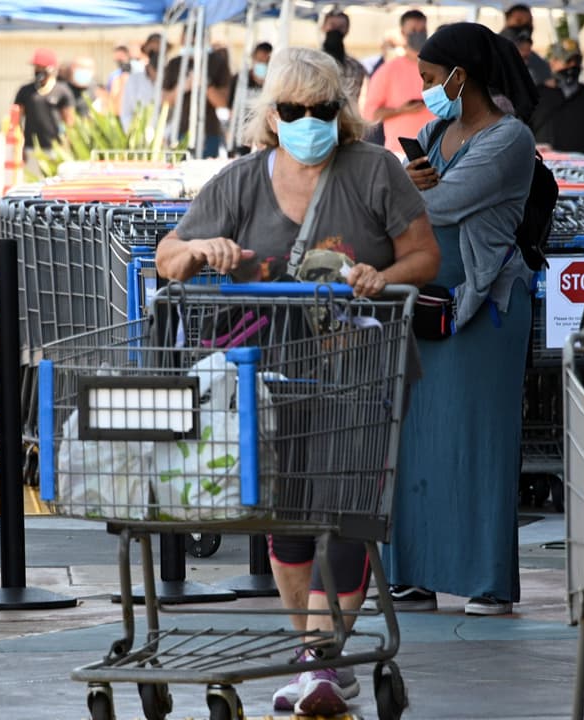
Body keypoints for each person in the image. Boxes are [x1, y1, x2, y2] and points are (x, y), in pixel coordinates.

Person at [155, 48, 440, 716]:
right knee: (283, 517)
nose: (308, 121)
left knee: (345, 510)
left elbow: (424, 255)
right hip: (269, 373)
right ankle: (318, 656)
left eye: (321, 109)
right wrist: (200, 251)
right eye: (293, 109)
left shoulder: (373, 172)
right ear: (272, 116)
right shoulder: (240, 181)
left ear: (340, 113)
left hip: (359, 372)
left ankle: (321, 659)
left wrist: (381, 277)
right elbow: (170, 257)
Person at [368, 22, 537, 618]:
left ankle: (487, 580)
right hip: (423, 304)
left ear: (462, 77)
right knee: (414, 442)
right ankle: (414, 573)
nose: (424, 89)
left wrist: (397, 189)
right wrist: (402, 182)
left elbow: (443, 203)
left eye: (432, 78)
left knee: (478, 444)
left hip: (483, 308)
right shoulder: (436, 130)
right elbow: (411, 195)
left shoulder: (509, 138)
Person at [363, 9, 435, 154]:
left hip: (437, 150)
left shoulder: (439, 67)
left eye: (422, 30)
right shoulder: (388, 70)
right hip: (400, 152)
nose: (418, 34)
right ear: (403, 33)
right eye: (413, 30)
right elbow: (369, 114)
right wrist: (400, 110)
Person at [530, 38, 584, 153]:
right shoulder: (536, 95)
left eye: (577, 61)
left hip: (580, 163)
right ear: (552, 62)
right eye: (568, 61)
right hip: (544, 162)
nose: (573, 65)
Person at [13, 48, 76, 171]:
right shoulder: (25, 91)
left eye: (42, 68)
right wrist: (19, 147)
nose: (38, 71)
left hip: (55, 149)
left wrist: (66, 147)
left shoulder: (62, 91)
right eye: (36, 67)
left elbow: (70, 122)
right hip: (31, 149)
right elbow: (16, 120)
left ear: (51, 69)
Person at [227, 42, 272, 153]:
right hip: (241, 132)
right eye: (259, 60)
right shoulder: (240, 79)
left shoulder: (273, 81)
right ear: (253, 58)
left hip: (265, 133)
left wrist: (264, 83)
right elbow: (231, 109)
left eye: (266, 61)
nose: (263, 64)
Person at [321, 9, 367, 105]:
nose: (336, 30)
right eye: (332, 25)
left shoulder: (355, 66)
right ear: (323, 27)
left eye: (341, 27)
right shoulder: (309, 61)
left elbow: (354, 96)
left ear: (347, 30)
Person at [502, 3, 552, 87]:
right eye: (519, 21)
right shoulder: (490, 52)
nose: (524, 27)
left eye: (529, 22)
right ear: (507, 21)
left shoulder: (539, 64)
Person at [106, 45, 133, 113]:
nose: (117, 58)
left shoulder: (137, 70)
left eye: (120, 55)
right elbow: (110, 94)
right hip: (117, 109)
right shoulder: (114, 75)